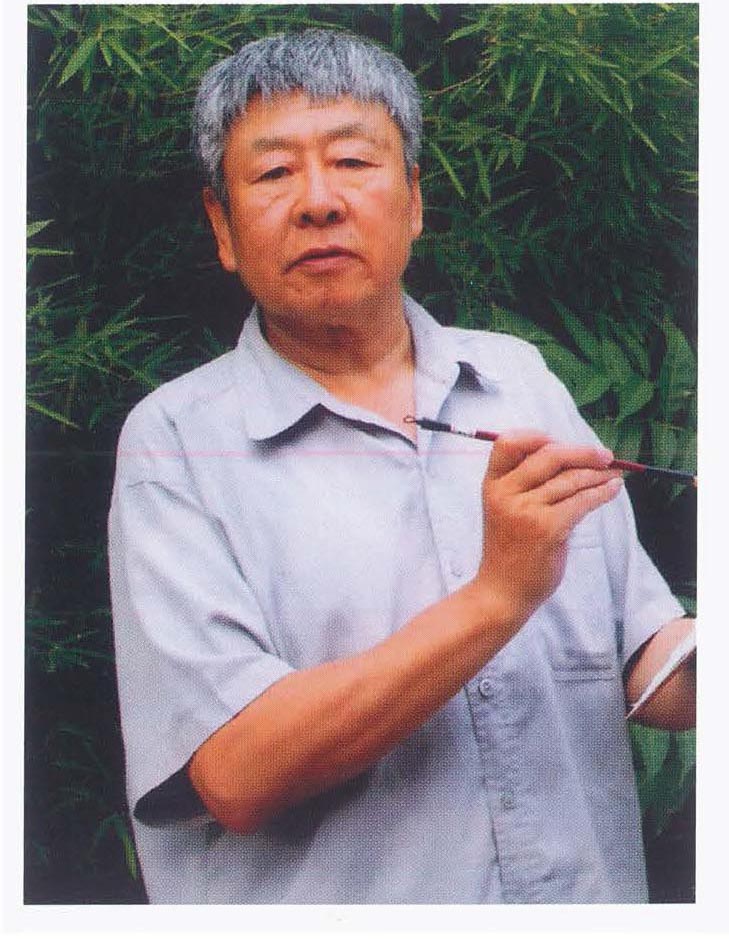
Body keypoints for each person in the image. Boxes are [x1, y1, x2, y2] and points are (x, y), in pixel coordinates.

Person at [108, 28, 695, 905]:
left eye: (352, 161)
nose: (318, 201)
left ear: (414, 199)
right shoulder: (174, 444)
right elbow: (234, 773)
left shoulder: (518, 379)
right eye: (273, 173)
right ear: (222, 227)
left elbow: (644, 664)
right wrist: (497, 596)